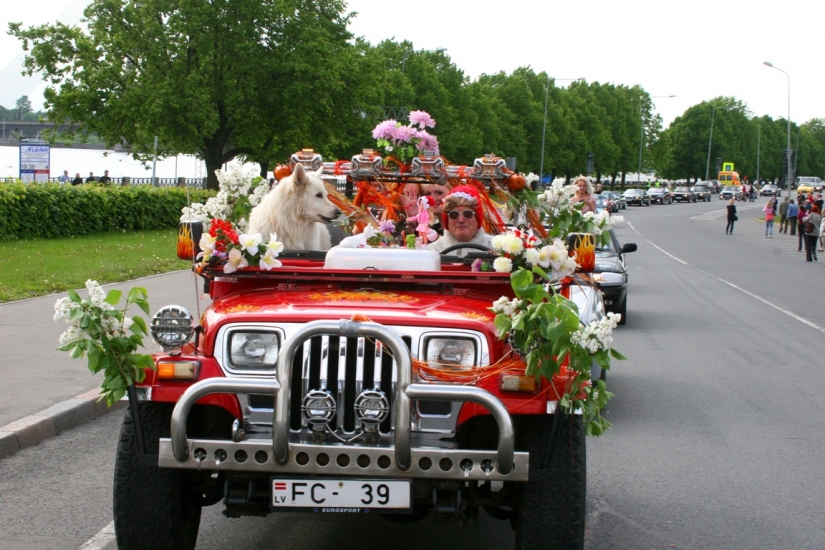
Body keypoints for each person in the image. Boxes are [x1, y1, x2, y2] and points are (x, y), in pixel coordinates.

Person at [427, 186, 492, 257]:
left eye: (467, 214)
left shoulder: (499, 249)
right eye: (454, 214)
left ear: (478, 218)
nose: (461, 220)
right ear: (447, 221)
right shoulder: (431, 252)